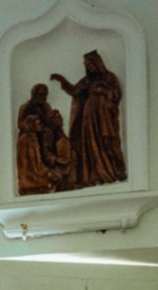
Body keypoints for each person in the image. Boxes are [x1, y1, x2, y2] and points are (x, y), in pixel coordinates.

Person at [52, 50, 127, 189]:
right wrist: (62, 80)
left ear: (97, 63)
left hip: (103, 118)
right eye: (86, 64)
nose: (88, 67)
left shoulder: (109, 77)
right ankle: (92, 174)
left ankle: (110, 171)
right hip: (88, 118)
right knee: (88, 145)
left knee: (105, 142)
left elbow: (115, 94)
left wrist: (102, 91)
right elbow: (75, 90)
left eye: (90, 64)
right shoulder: (87, 80)